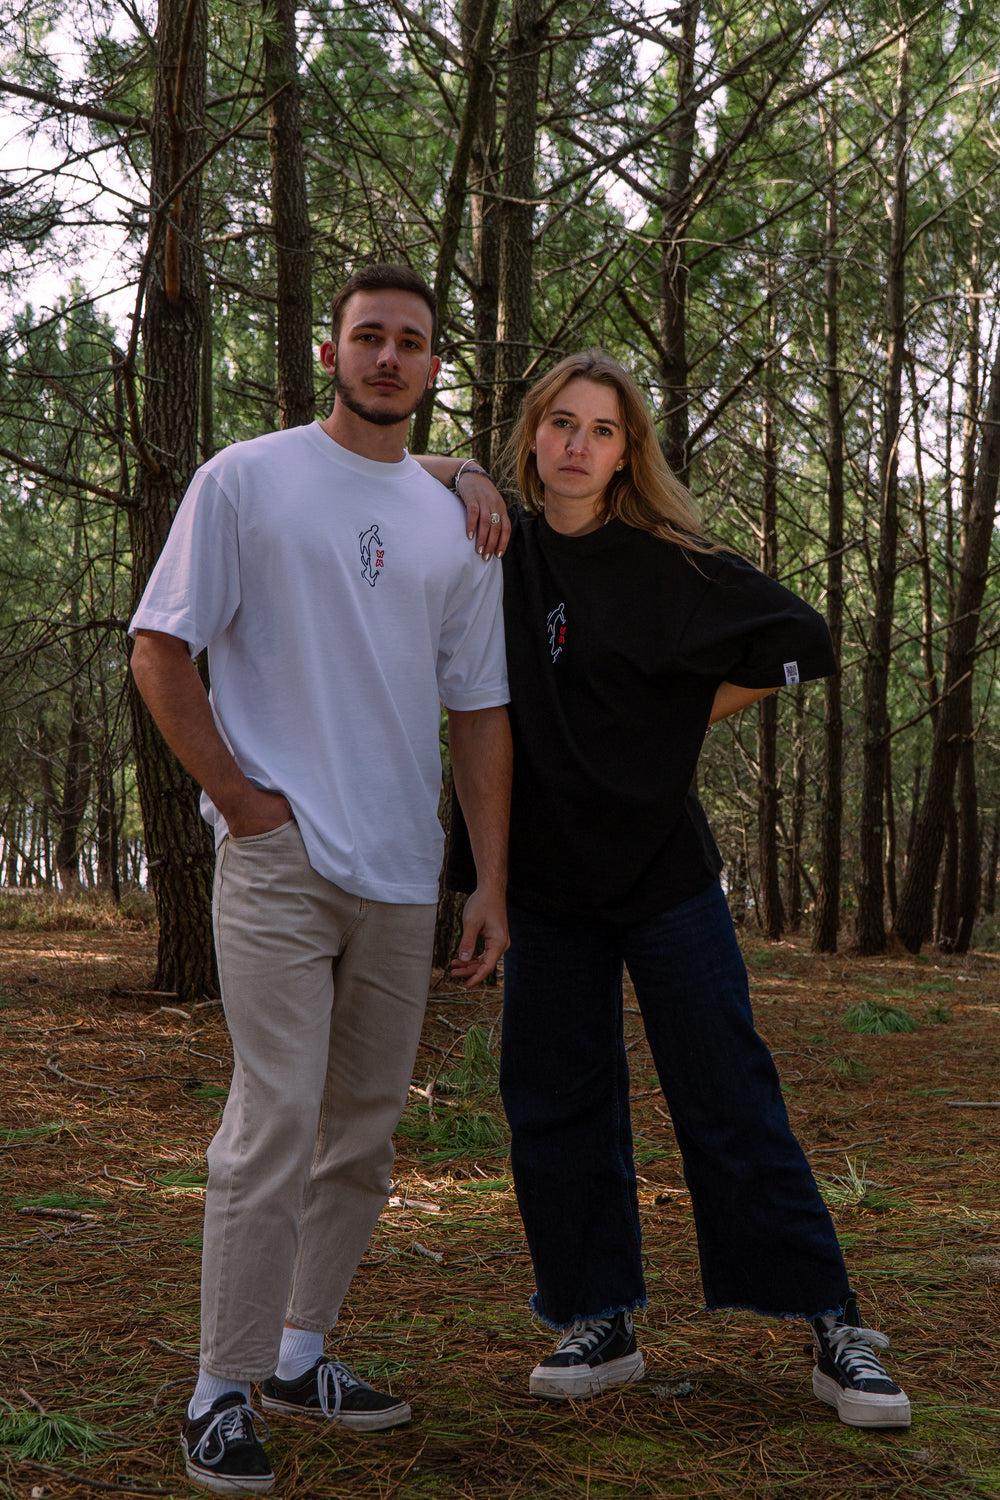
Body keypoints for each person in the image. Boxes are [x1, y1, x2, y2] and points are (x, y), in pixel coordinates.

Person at [435, 349, 910, 1431]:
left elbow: (804, 640)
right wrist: (460, 471)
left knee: (726, 1092)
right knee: (556, 1100)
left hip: (665, 877)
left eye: (601, 430)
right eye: (560, 422)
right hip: (547, 883)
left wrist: (676, 712)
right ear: (532, 436)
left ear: (626, 453)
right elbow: (380, 466)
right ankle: (595, 1317)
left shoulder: (668, 561)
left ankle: (831, 1322)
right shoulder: (496, 552)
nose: (576, 445)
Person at [129, 263, 512, 1496]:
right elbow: (159, 648)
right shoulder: (246, 479)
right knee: (276, 1115)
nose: (387, 357)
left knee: (364, 1129)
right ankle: (221, 1387)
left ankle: (300, 1357)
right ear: (331, 351)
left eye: (410, 341)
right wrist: (242, 803)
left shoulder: (460, 523)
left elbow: (479, 710)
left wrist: (486, 882)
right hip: (282, 863)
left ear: (435, 365)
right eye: (368, 336)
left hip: (402, 873)